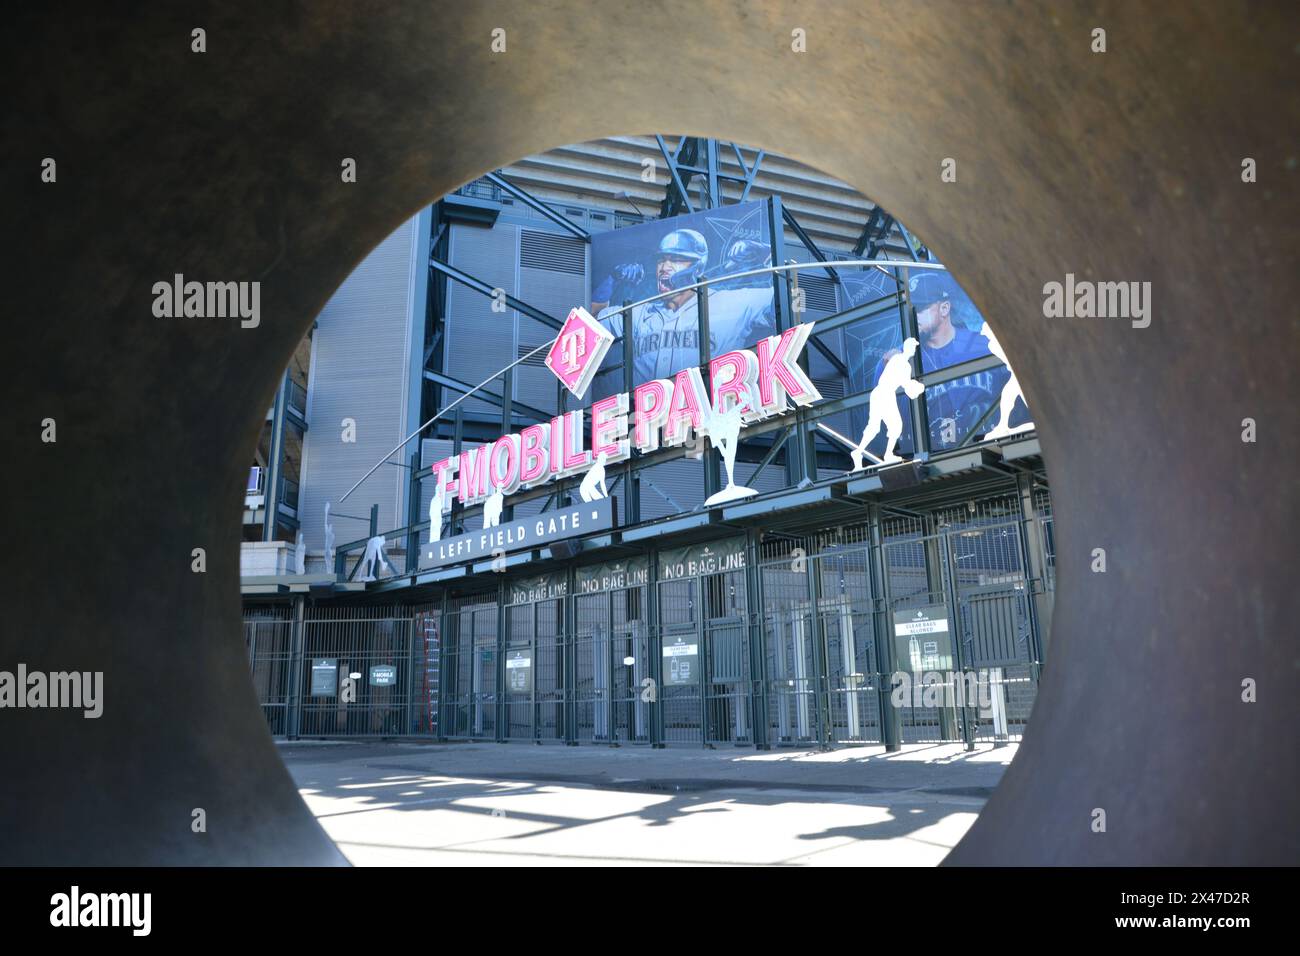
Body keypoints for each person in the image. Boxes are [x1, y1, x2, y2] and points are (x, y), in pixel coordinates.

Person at [592, 229, 776, 389]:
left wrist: (767, 255)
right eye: (661, 260)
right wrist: (612, 279)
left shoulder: (730, 302)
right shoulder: (638, 314)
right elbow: (588, 328)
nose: (665, 267)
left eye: (676, 260)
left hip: (712, 416)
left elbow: (794, 299)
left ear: (697, 267)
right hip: (645, 421)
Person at [871, 270, 999, 449]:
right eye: (910, 310)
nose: (914, 316)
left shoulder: (983, 346)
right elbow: (890, 429)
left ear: (944, 308)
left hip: (989, 448)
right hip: (930, 455)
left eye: (921, 309)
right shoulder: (897, 360)